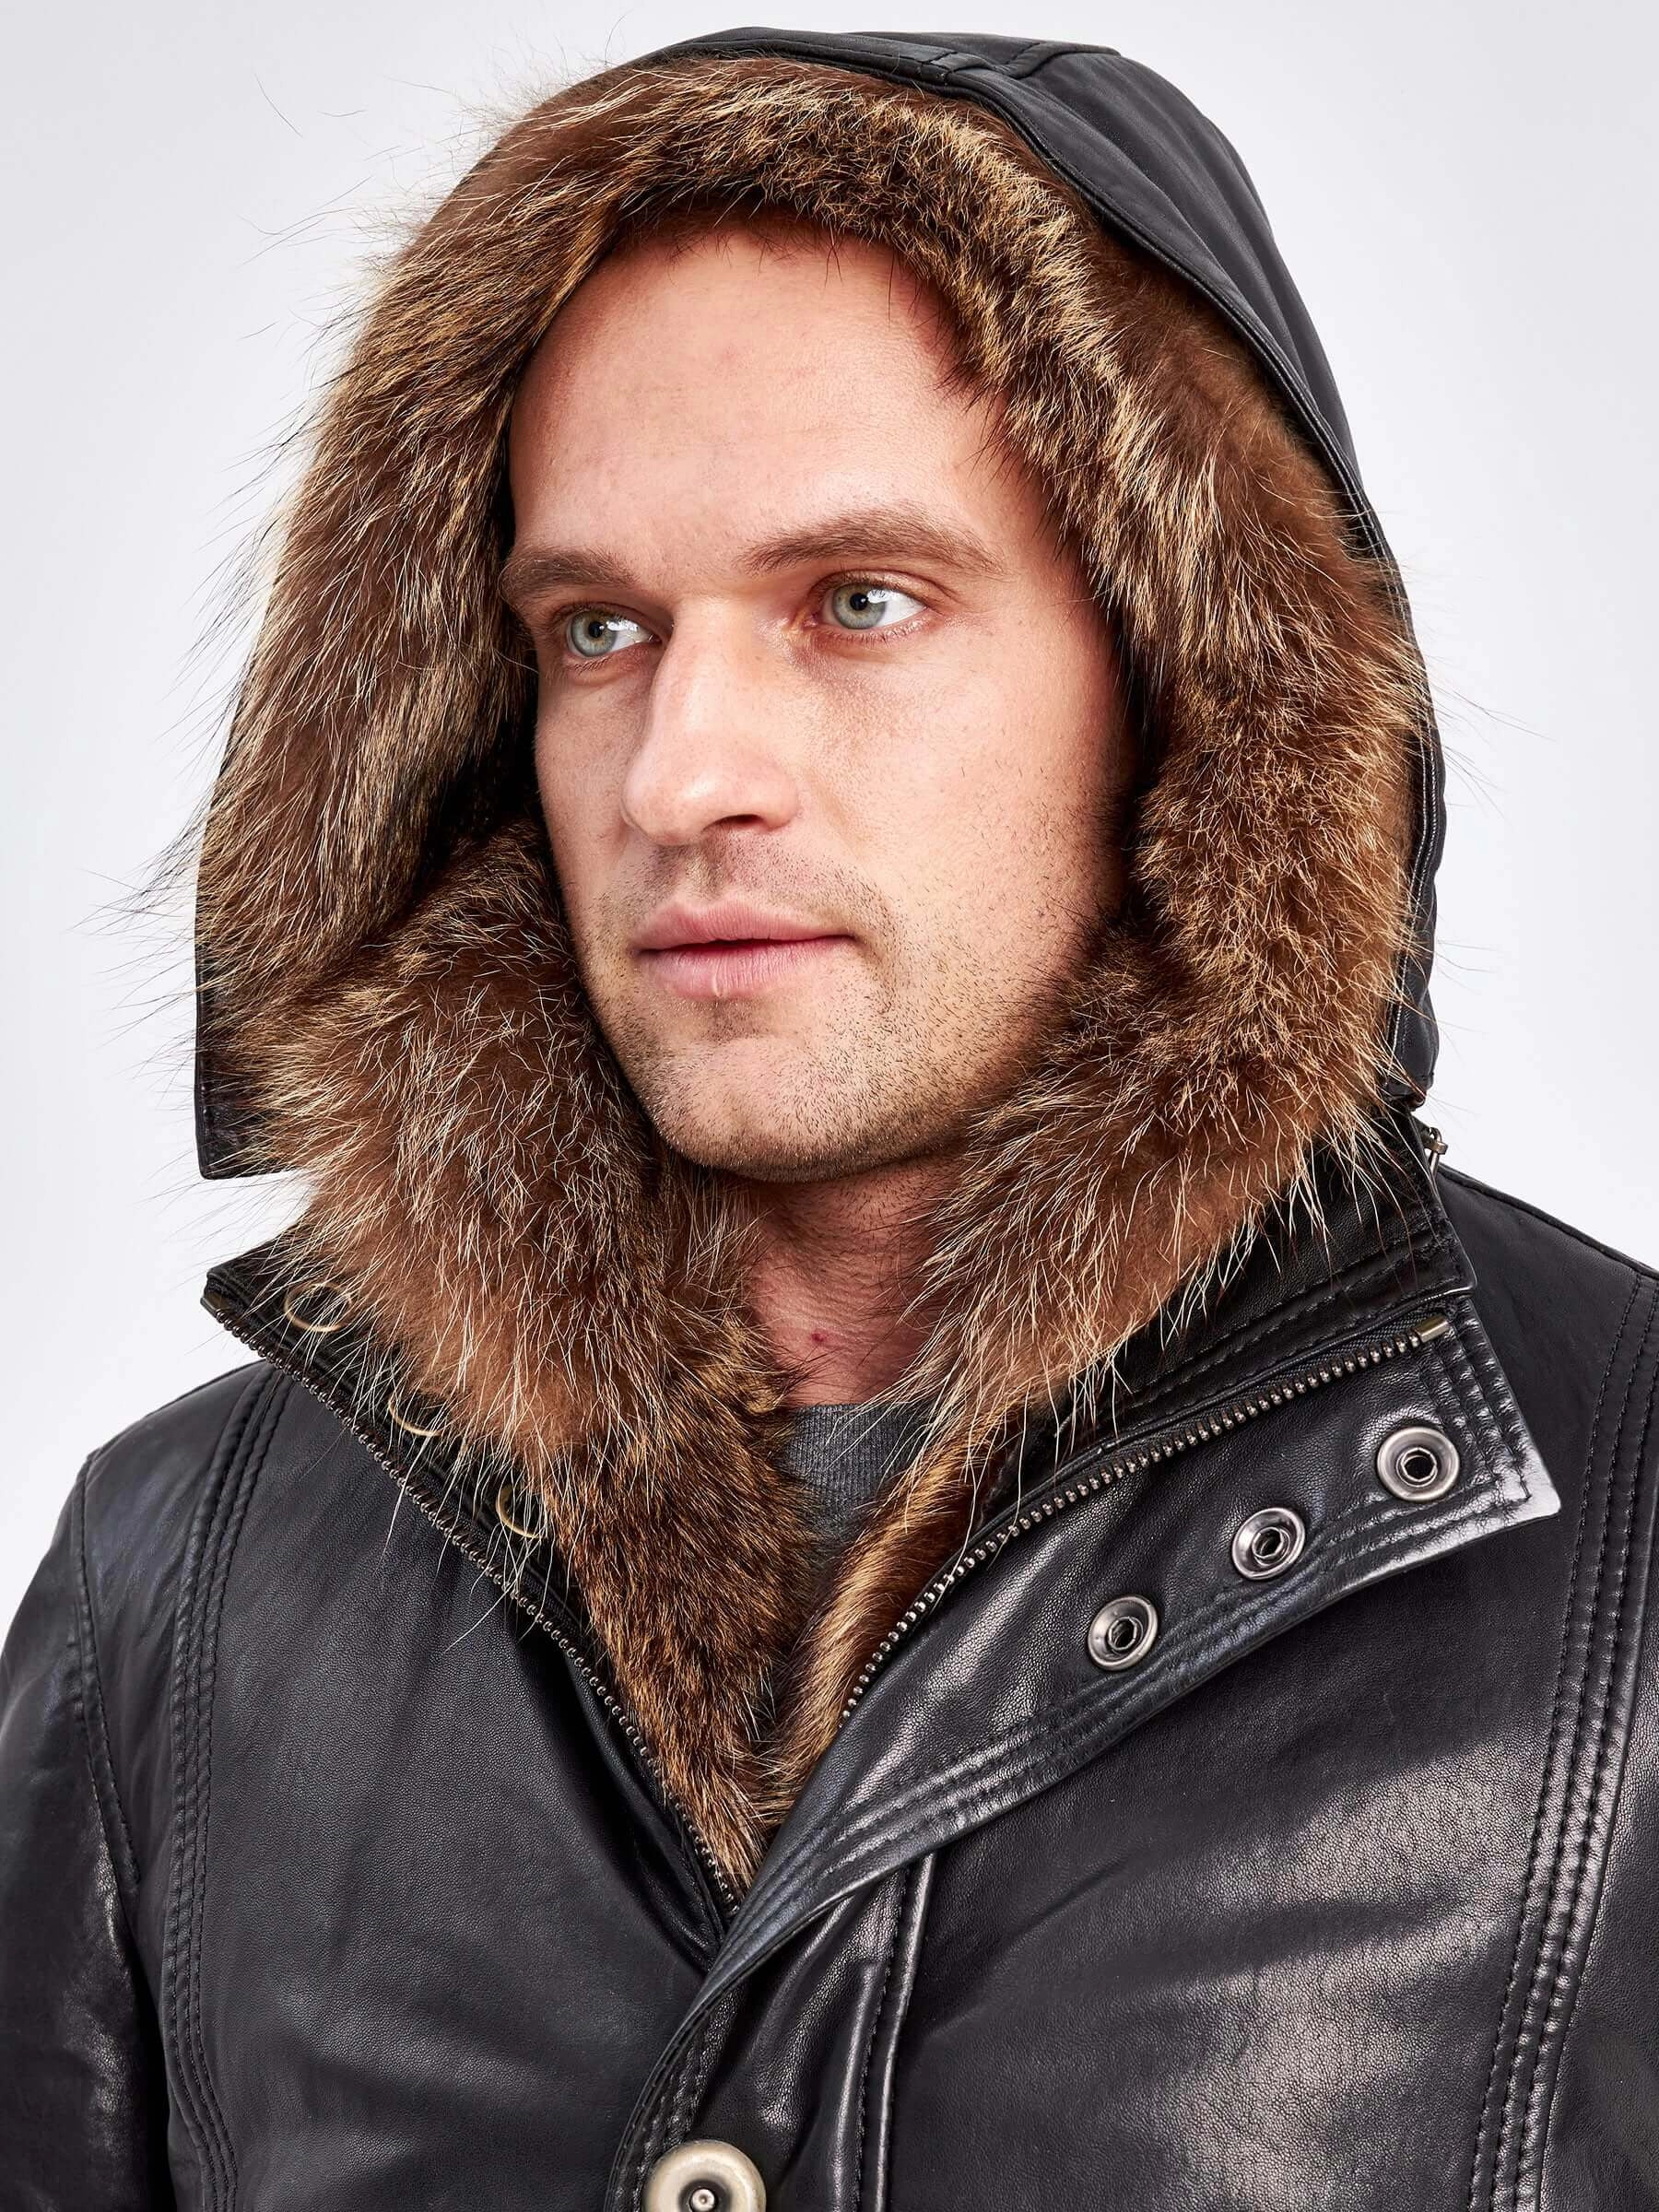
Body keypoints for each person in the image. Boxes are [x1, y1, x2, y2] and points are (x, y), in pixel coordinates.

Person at [3, 28, 1654, 2210]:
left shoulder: (1630, 1534)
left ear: (1191, 681)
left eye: (859, 603)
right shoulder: (174, 1594)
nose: (684, 773)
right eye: (598, 628)